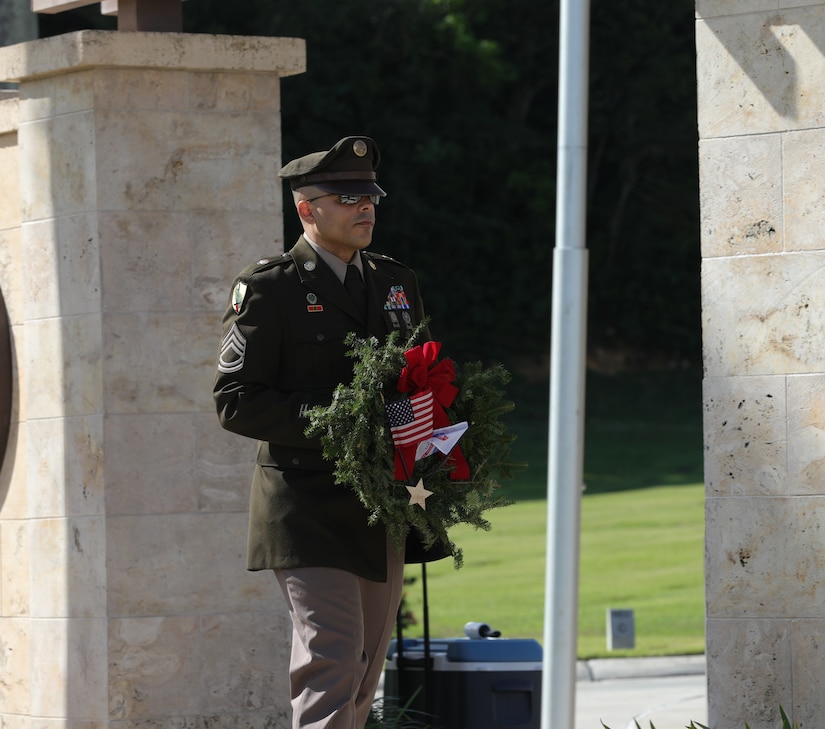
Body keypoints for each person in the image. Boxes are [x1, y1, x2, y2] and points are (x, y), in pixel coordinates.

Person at [213, 136, 444, 729]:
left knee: (365, 674)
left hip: (380, 507)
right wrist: (343, 421)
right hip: (306, 507)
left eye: (371, 197)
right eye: (347, 198)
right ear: (306, 210)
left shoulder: (396, 282)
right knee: (331, 661)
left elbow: (418, 378)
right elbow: (237, 402)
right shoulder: (270, 288)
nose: (365, 209)